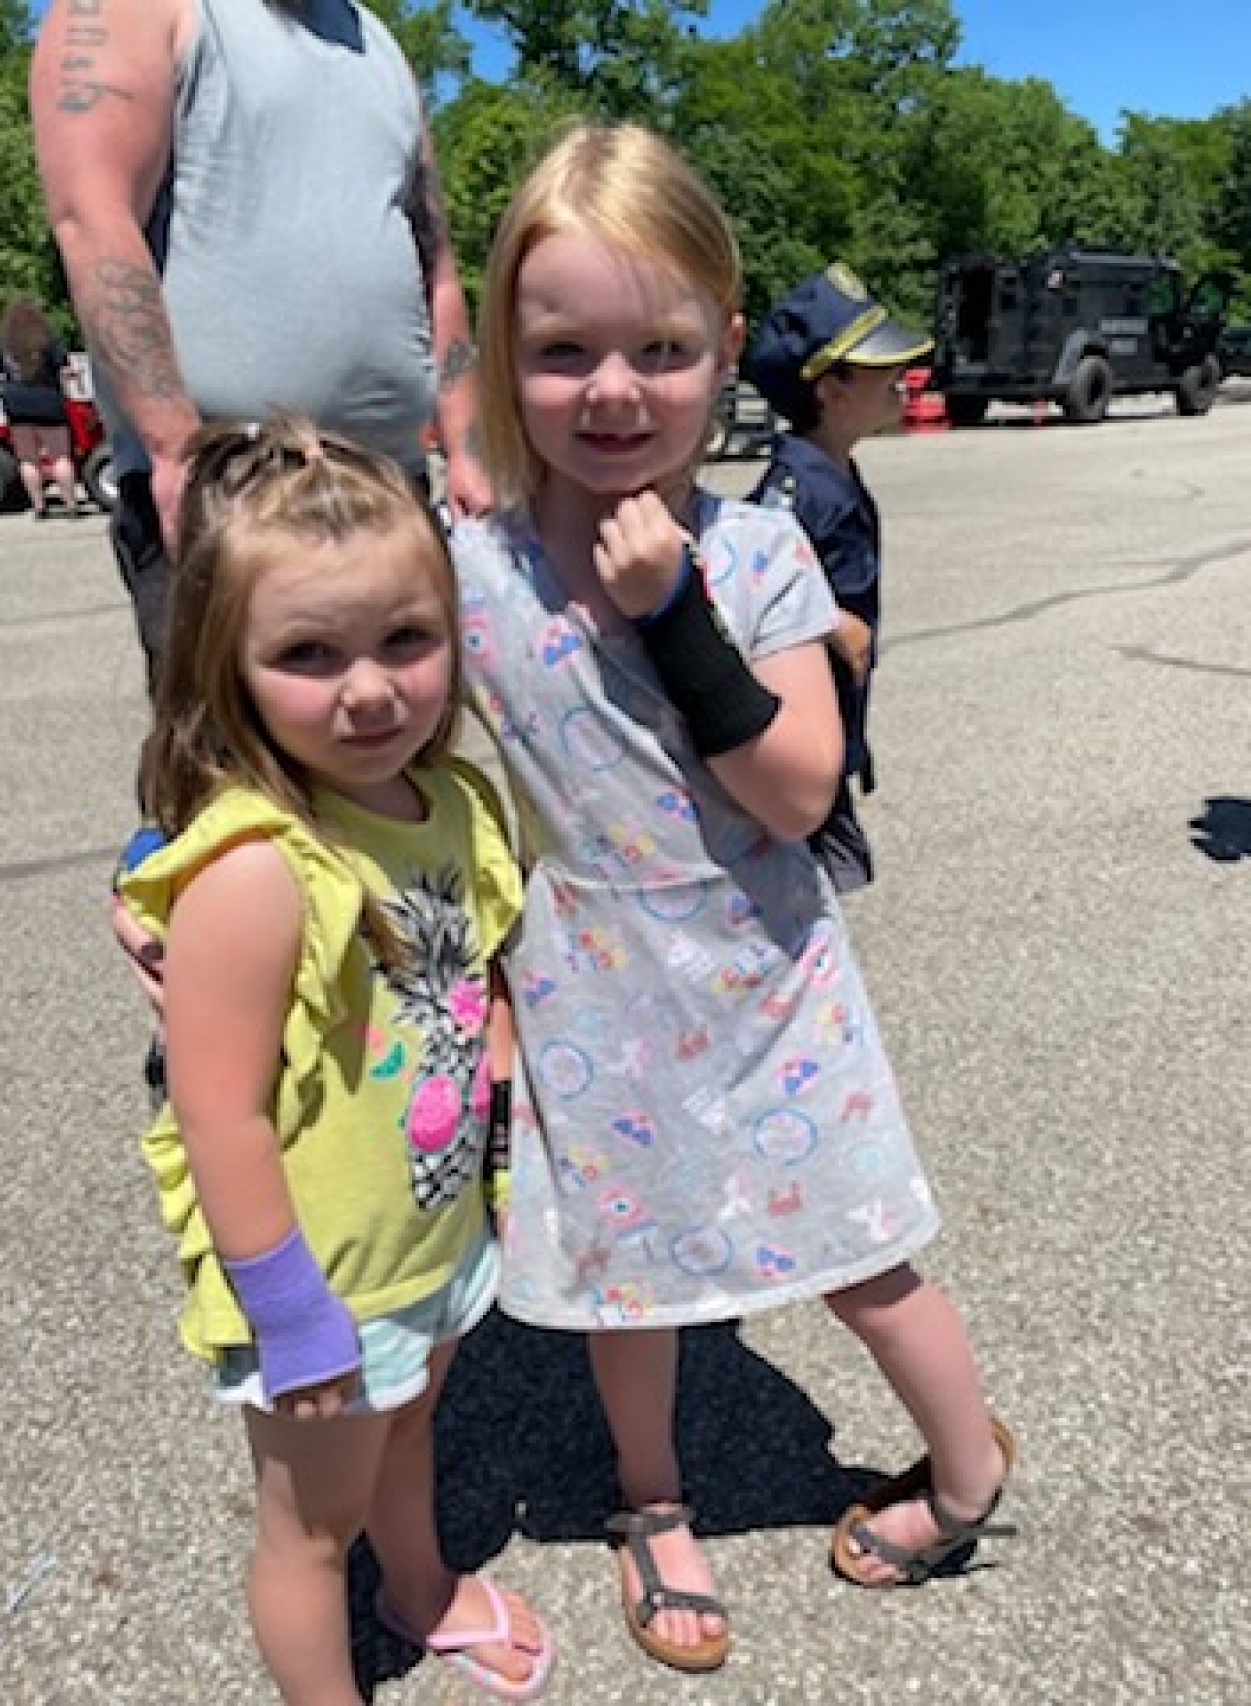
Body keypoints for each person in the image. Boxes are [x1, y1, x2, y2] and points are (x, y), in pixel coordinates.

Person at [450, 122, 1015, 1668]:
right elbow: (346, 730)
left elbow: (796, 790)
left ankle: (966, 1469)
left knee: (860, 1248)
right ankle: (652, 1499)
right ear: (506, 350)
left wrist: (669, 611)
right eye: (565, 350)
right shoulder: (469, 570)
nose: (616, 390)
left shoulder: (756, 550)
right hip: (584, 977)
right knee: (626, 1275)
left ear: (720, 346)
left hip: (761, 975)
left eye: (663, 346)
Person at [115, 415, 552, 1706]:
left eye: (405, 640)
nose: (370, 690)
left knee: (412, 1429)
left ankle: (419, 1592)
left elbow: (481, 983)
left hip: (425, 1233)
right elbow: (219, 1113)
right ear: (228, 666)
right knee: (309, 1529)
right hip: (317, 1280)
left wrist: (501, 1161)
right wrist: (291, 1314)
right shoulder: (257, 867)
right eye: (308, 654)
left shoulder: (451, 804)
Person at [30, 0, 490, 682]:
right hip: (232, 486)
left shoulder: (378, 44)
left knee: (401, 760)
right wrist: (173, 450)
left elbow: (437, 265)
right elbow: (93, 216)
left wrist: (467, 449)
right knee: (238, 771)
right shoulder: (136, 9)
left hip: (390, 484)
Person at [748, 264, 933, 893]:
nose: (900, 383)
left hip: (834, 723)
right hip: (800, 726)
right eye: (882, 371)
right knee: (807, 889)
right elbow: (745, 582)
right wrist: (828, 619)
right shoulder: (796, 489)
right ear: (831, 390)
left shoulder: (836, 475)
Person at [0, 298, 80, 520]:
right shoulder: (48, 342)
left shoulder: (4, 344)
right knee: (60, 457)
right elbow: (66, 370)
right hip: (47, 401)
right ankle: (71, 506)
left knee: (28, 459)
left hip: (16, 403)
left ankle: (39, 507)